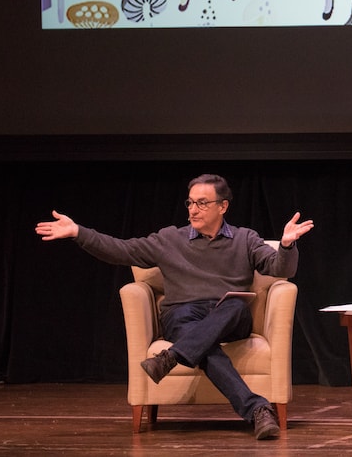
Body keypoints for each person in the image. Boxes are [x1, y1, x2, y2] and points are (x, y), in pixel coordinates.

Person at [35, 174, 314, 440]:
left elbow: (281, 270)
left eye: (202, 203)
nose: (193, 210)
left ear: (223, 206)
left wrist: (287, 246)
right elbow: (121, 249)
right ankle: (258, 410)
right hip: (184, 314)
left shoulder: (245, 239)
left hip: (228, 316)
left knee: (236, 306)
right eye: (190, 203)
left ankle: (172, 356)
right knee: (204, 348)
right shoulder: (169, 239)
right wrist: (78, 232)